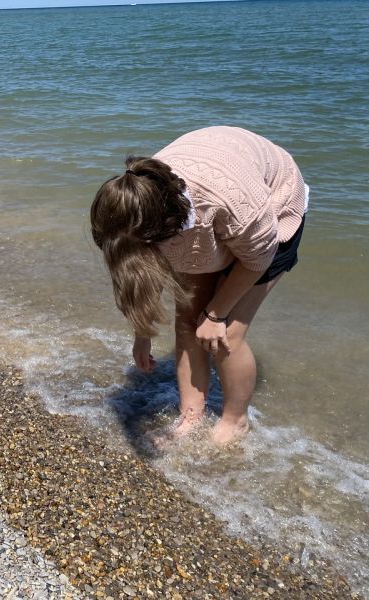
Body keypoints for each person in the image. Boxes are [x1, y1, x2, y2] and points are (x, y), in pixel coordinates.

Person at [90, 126, 308, 445]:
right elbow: (143, 274)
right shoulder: (136, 208)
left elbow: (258, 258)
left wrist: (217, 313)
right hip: (207, 212)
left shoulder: (235, 204)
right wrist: (142, 334)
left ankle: (235, 420)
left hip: (269, 211)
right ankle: (191, 416)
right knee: (188, 322)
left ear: (167, 232)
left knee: (225, 333)